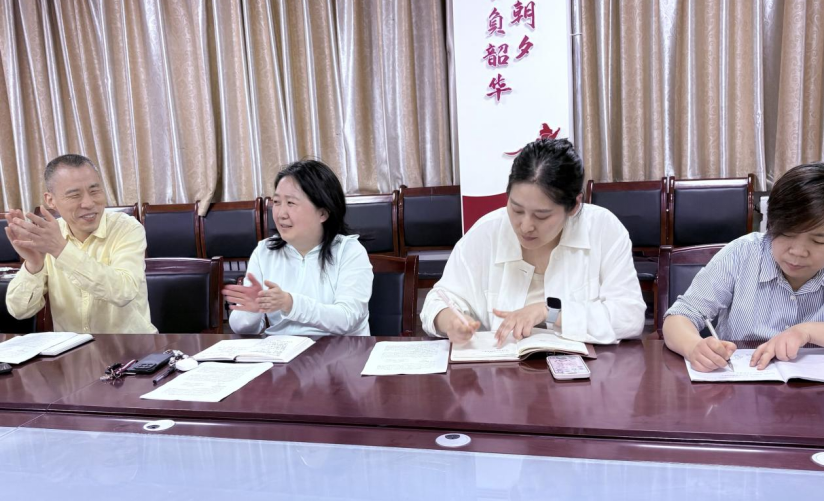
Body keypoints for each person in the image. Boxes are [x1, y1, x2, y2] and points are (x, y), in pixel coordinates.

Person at [420, 138, 646, 345]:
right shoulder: (487, 233)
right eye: (517, 209)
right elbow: (439, 300)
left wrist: (550, 312)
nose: (525, 226)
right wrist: (450, 322)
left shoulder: (603, 229)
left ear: (574, 206)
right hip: (501, 370)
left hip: (587, 372)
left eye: (541, 216)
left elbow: (630, 317)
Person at [663, 162, 824, 371]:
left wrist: (807, 331)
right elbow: (679, 317)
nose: (798, 252)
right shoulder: (742, 254)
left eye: (819, 241)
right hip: (739, 383)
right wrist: (694, 346)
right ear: (771, 225)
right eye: (787, 234)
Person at [5, 154, 156, 333]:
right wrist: (33, 265)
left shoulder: (127, 228)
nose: (88, 203)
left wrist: (61, 250)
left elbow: (124, 291)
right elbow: (19, 310)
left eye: (94, 191)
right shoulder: (49, 237)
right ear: (51, 200)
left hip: (130, 346)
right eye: (74, 195)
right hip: (73, 348)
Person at [225, 159, 373, 336]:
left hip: (341, 349)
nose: (281, 214)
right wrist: (251, 312)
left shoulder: (349, 251)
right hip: (283, 350)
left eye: (291, 203)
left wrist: (290, 303)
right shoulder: (264, 251)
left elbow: (347, 319)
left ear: (323, 213)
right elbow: (242, 328)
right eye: (277, 202)